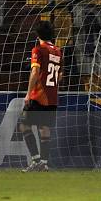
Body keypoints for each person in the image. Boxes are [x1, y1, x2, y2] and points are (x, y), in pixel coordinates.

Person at [20, 21, 63, 172]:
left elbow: (34, 72)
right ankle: (44, 163)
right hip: (52, 96)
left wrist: (28, 94)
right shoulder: (58, 51)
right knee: (44, 128)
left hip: (38, 95)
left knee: (24, 125)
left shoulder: (38, 50)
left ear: (37, 35)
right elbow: (60, 75)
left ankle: (36, 160)